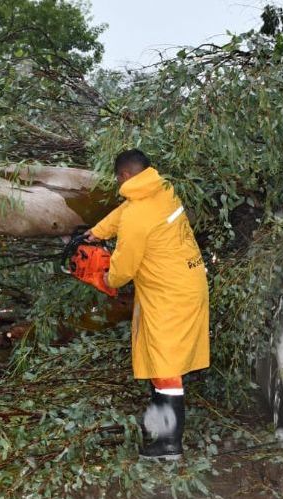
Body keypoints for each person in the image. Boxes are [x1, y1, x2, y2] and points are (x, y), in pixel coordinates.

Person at [85, 149, 209, 460]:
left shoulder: (138, 217)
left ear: (124, 176)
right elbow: (125, 212)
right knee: (160, 360)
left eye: (118, 179)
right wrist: (94, 234)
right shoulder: (162, 190)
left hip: (171, 295)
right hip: (184, 284)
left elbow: (123, 270)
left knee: (166, 365)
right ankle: (158, 427)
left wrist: (102, 279)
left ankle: (168, 443)